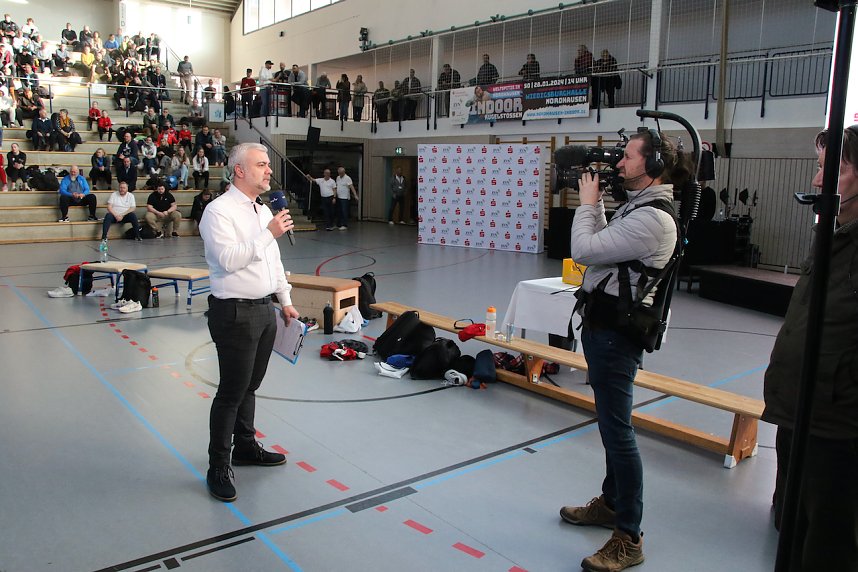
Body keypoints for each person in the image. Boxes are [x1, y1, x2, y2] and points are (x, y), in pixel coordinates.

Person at [561, 129, 688, 572]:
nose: (618, 164)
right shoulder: (638, 207)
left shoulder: (652, 219)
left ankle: (628, 537)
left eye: (627, 156)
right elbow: (597, 255)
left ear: (652, 165)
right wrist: (596, 207)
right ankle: (613, 504)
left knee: (618, 433)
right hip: (606, 327)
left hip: (618, 336)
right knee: (612, 425)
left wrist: (588, 202)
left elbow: (582, 249)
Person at [764, 126, 858, 572]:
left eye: (832, 170)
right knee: (792, 528)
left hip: (837, 427)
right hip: (799, 411)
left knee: (828, 544)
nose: (817, 181)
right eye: (819, 168)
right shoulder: (834, 237)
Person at [199, 142, 298, 502]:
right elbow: (228, 259)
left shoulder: (261, 211)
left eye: (268, 164)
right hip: (234, 313)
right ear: (239, 170)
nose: (268, 170)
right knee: (231, 392)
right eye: (261, 164)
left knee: (250, 387)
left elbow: (271, 263)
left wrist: (284, 300)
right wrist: (269, 232)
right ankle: (218, 465)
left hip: (264, 311)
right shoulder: (218, 212)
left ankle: (244, 446)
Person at [334, 166, 358, 230]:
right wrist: (335, 195)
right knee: (339, 211)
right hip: (339, 197)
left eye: (341, 173)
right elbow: (336, 186)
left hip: (345, 198)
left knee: (344, 211)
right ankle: (338, 224)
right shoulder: (338, 177)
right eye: (339, 173)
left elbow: (351, 187)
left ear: (344, 172)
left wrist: (355, 195)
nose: (340, 174)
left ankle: (344, 225)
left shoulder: (348, 178)